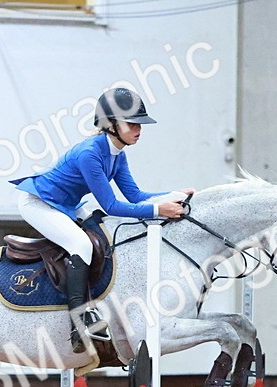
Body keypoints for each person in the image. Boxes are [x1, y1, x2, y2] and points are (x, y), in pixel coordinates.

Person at [11, 87, 192, 353]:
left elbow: (134, 195)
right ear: (110, 125)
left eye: (139, 123)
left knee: (105, 233)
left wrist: (175, 194)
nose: (138, 129)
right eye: (132, 123)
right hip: (39, 203)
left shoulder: (117, 153)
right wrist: (158, 211)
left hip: (66, 204)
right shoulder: (90, 154)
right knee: (81, 245)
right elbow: (111, 205)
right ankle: (79, 321)